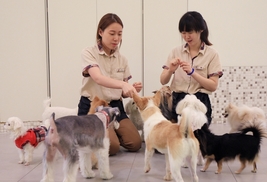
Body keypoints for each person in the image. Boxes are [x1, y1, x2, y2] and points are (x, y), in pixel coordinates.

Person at [77, 13, 142, 155]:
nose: (116, 38)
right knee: (111, 148)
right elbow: (98, 78)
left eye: (120, 34)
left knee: (135, 143)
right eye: (112, 33)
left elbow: (122, 92)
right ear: (100, 32)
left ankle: (111, 130)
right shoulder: (89, 52)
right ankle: (101, 131)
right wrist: (122, 84)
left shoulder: (122, 59)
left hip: (115, 107)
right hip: (94, 107)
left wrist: (130, 88)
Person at [160, 11, 223, 125]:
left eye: (190, 32)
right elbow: (163, 80)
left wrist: (192, 72)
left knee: (198, 138)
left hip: (199, 101)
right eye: (183, 33)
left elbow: (213, 86)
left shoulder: (212, 54)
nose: (186, 36)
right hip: (177, 100)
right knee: (176, 138)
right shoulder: (176, 51)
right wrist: (171, 70)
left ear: (201, 30)